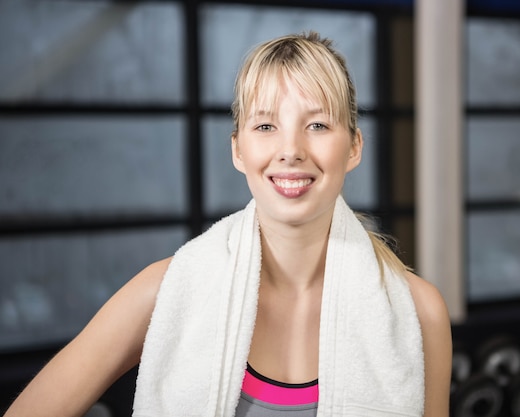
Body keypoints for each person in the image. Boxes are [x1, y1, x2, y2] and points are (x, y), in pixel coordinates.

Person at [4, 32, 451, 417]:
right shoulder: (162, 291)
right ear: (238, 150)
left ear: (354, 147)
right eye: (265, 126)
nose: (290, 150)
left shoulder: (419, 312)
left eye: (316, 124)